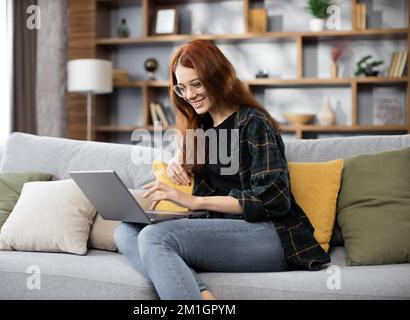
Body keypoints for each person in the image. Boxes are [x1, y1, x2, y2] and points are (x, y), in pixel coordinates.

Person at [114, 40, 330, 300]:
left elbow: (273, 199)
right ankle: (201, 294)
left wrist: (194, 201)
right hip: (220, 229)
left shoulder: (254, 123)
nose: (190, 95)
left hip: (269, 235)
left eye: (196, 84)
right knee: (126, 231)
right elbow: (192, 156)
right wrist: (177, 159)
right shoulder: (200, 128)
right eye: (182, 88)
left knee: (154, 238)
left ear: (217, 78)